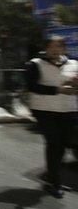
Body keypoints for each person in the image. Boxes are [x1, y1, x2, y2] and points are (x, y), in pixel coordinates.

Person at [26, 36, 78, 198]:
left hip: (68, 109)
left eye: (59, 46)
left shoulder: (73, 64)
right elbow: (32, 86)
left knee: (63, 144)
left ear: (64, 49)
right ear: (46, 48)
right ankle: (53, 182)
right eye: (52, 47)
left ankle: (52, 176)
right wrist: (59, 90)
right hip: (44, 110)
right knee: (54, 141)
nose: (55, 50)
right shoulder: (35, 64)